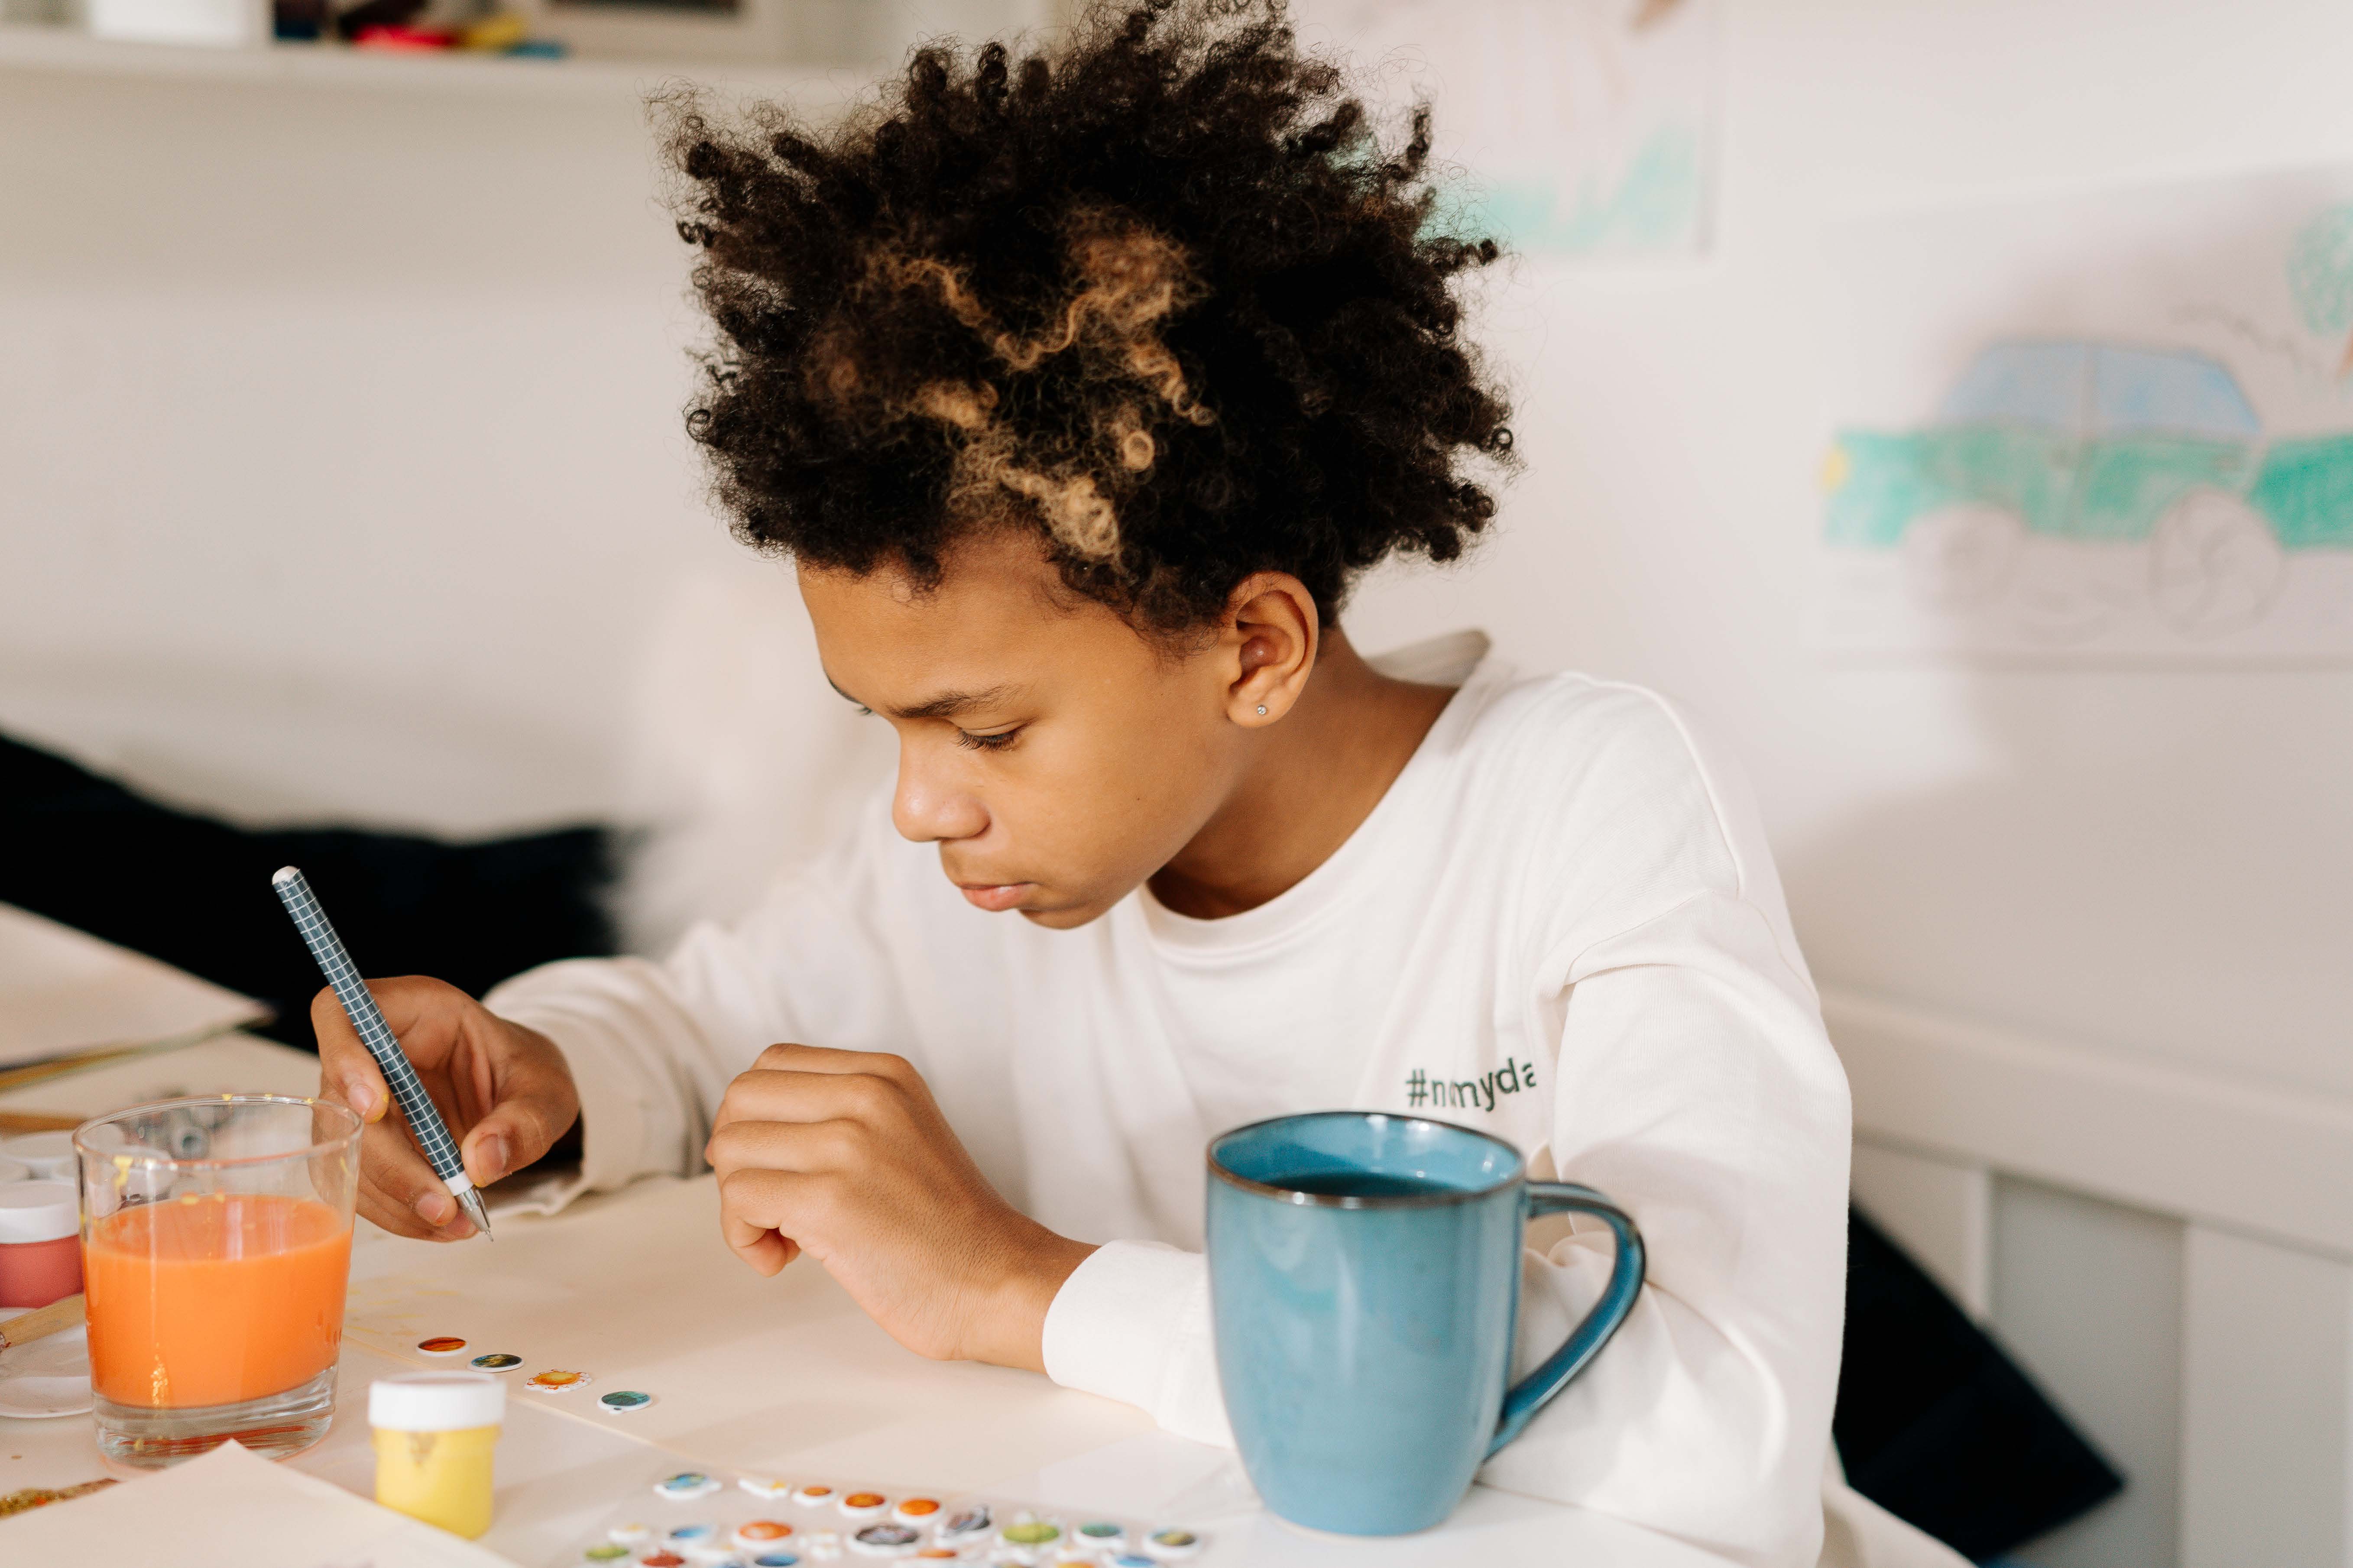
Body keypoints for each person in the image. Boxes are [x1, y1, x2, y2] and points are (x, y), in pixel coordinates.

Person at [314, 5, 1953, 1563]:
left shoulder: (1587, 805)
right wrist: (538, 1072)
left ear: (1253, 645)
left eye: (987, 730)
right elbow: (695, 1026)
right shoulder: (980, 862)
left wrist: (1024, 1285)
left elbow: (1718, 1430)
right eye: (883, 726)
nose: (917, 807)